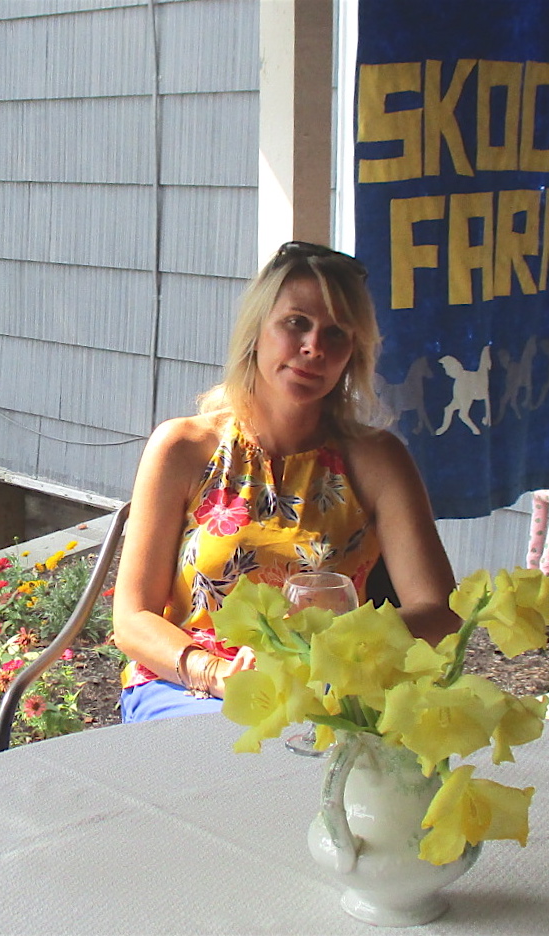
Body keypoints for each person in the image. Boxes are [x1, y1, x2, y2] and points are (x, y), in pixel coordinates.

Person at [111, 241, 460, 723]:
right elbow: (132, 620)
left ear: (351, 354)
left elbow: (439, 610)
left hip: (327, 691)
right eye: (296, 322)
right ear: (256, 330)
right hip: (189, 687)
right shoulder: (184, 449)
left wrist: (336, 651)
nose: (314, 347)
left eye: (336, 333)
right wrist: (215, 673)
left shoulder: (377, 460)